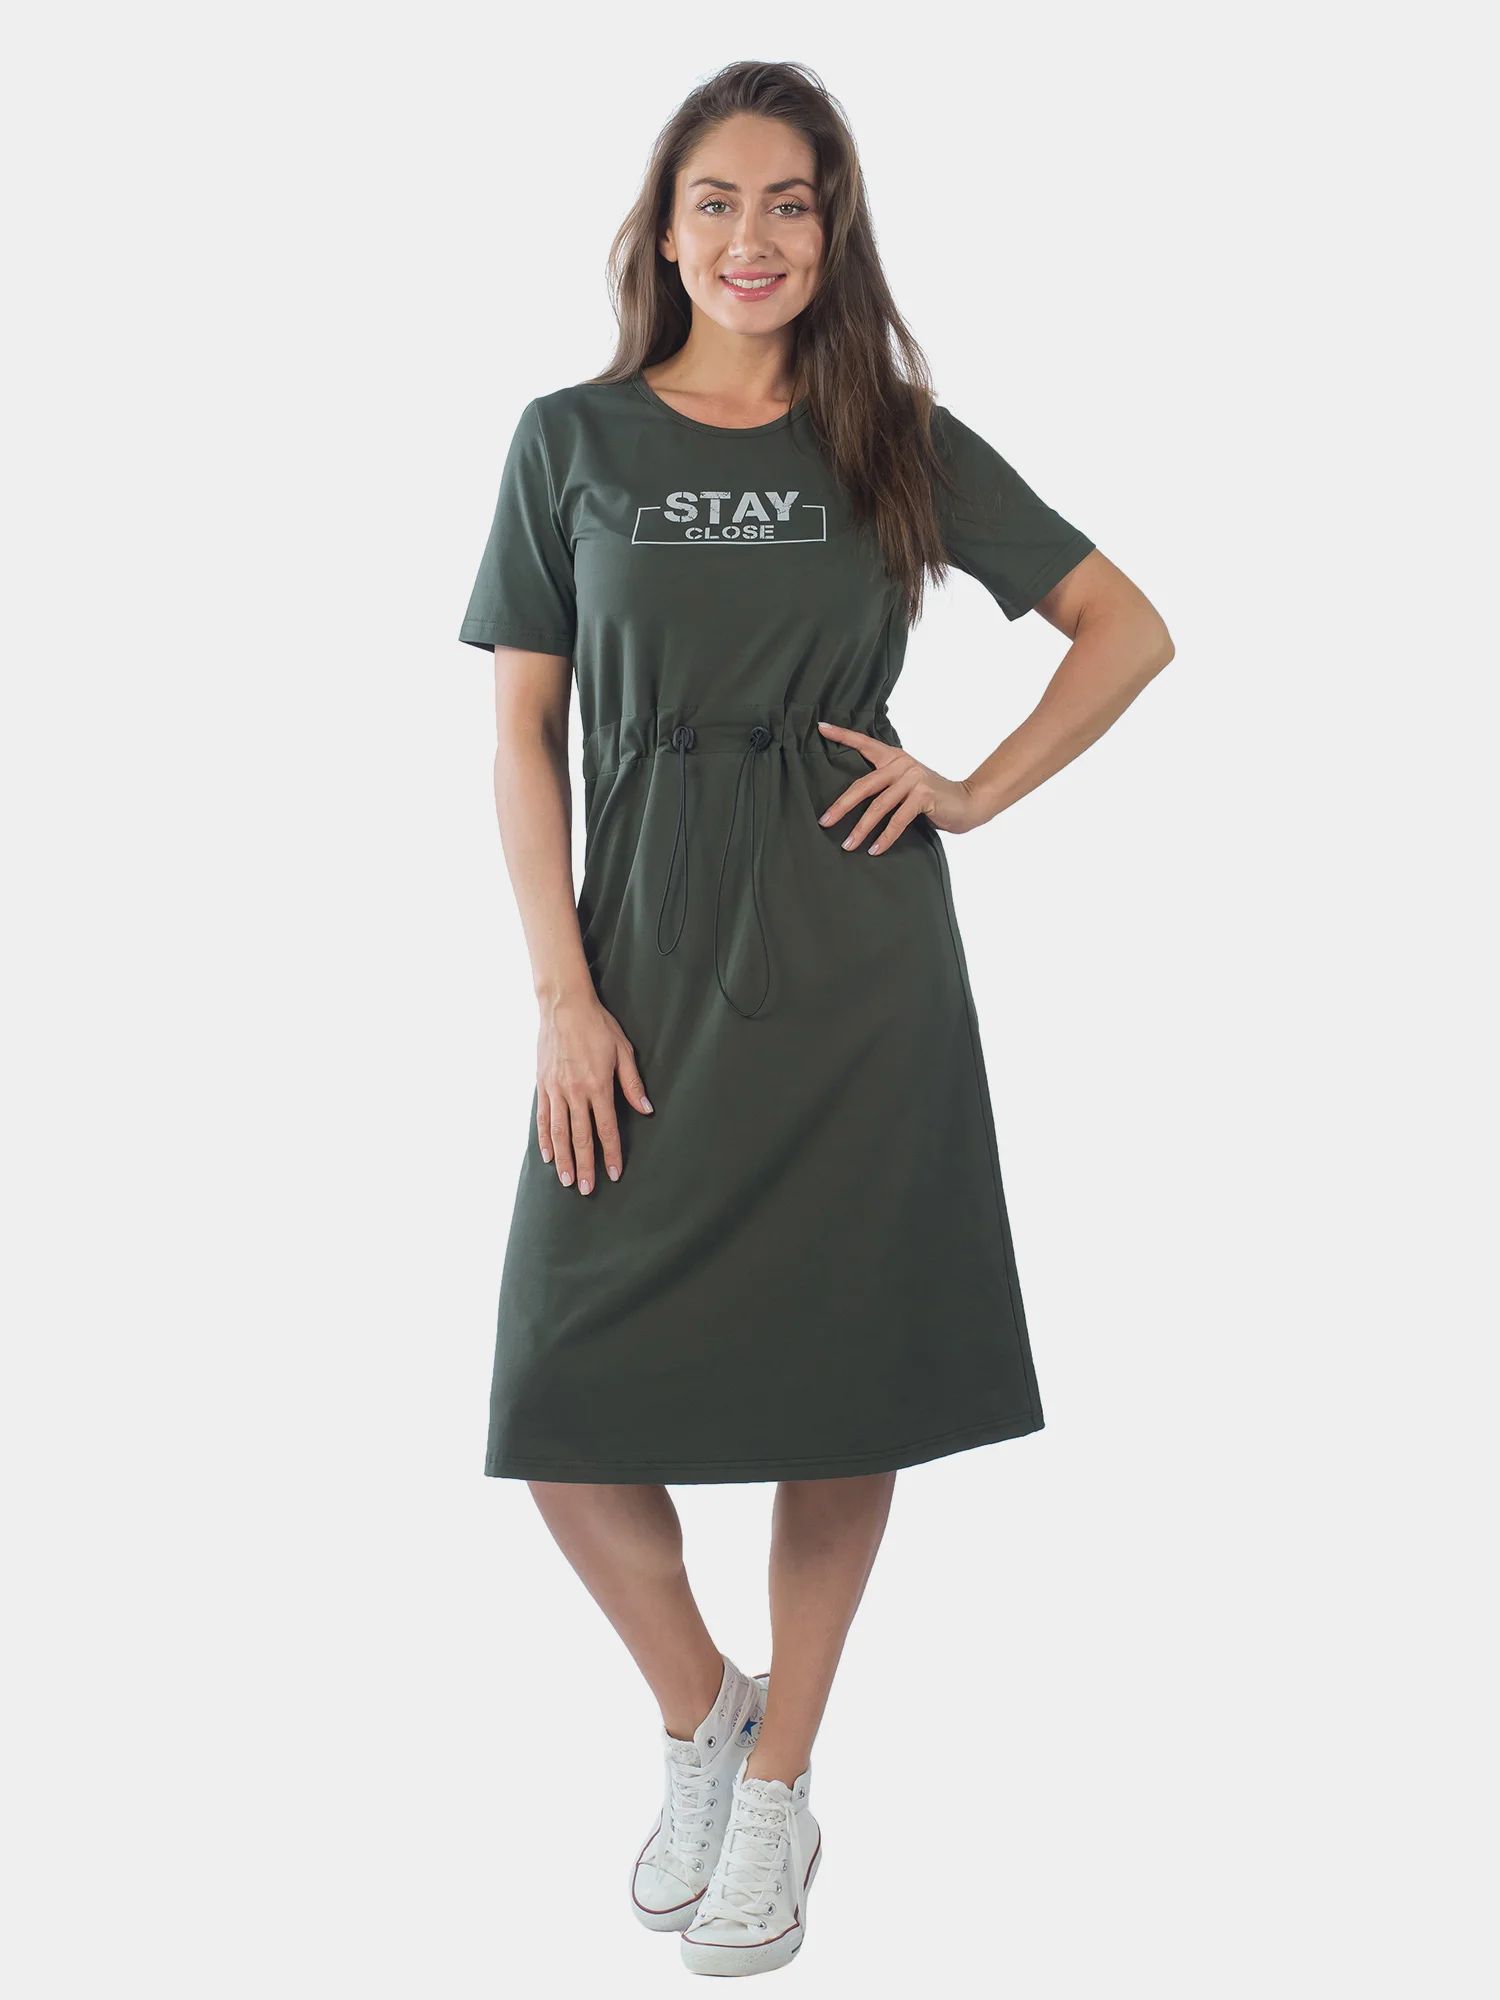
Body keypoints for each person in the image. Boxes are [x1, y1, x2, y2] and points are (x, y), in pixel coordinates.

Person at [458, 59, 1173, 1978]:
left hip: (858, 966)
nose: (752, 237)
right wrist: (560, 996)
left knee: (843, 1386)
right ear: (663, 225)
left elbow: (1127, 626)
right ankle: (706, 1713)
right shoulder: (569, 438)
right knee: (559, 1399)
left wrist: (974, 788)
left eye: (792, 202)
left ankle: (780, 1783)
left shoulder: (891, 436)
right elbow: (523, 734)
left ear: (834, 228)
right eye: (718, 200)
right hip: (638, 961)